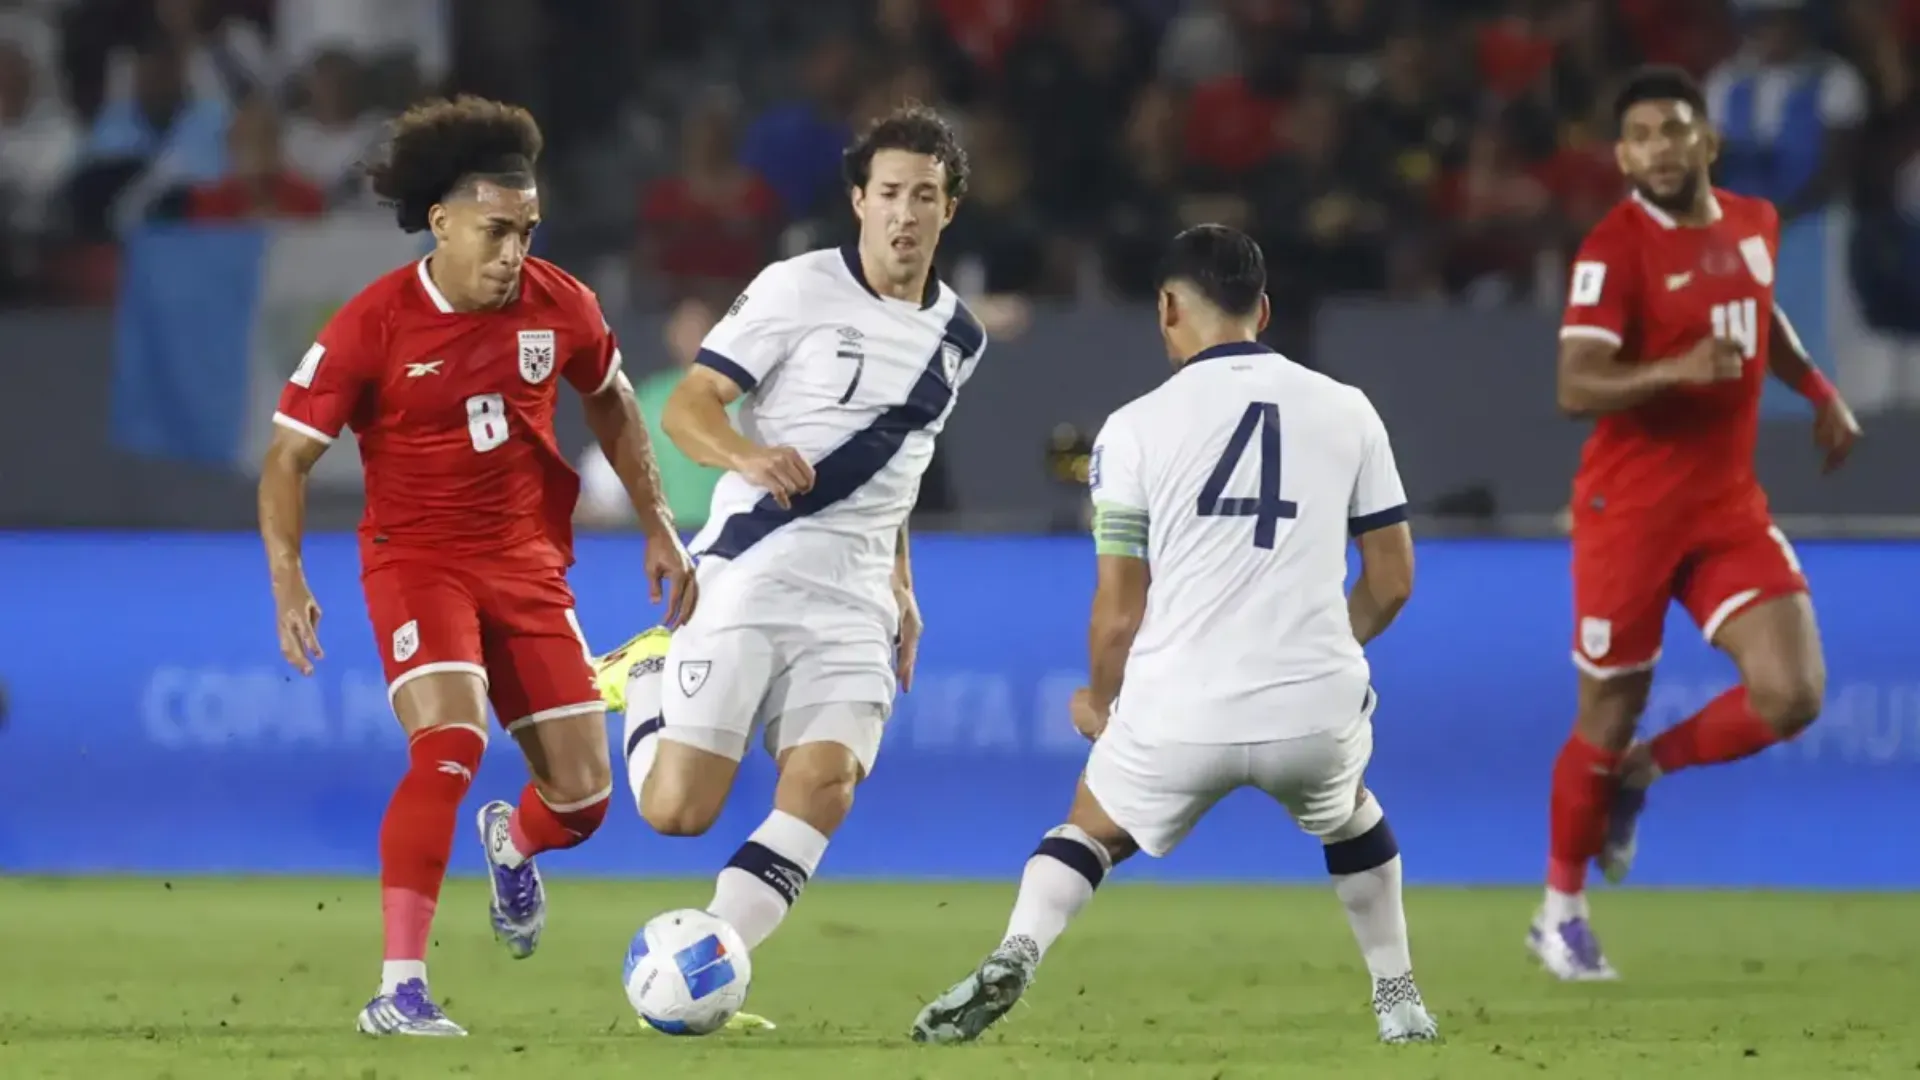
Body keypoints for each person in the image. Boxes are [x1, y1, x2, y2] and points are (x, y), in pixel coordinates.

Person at [909, 225, 1435, 1046]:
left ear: (1166, 308)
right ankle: (1398, 997)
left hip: (1181, 707)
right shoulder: (1349, 410)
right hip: (1312, 702)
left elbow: (1119, 607)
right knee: (1352, 816)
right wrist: (1333, 641)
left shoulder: (1134, 429)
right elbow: (1394, 578)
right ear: (1263, 310)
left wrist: (1100, 700)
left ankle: (1018, 948)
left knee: (1089, 826)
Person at [256, 95, 695, 1036]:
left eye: (528, 231)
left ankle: (514, 843)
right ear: (443, 221)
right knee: (450, 745)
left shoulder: (561, 303)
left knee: (583, 805)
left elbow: (613, 403)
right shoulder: (372, 324)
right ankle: (400, 988)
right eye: (497, 232)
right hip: (418, 561)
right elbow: (288, 456)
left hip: (526, 564)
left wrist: (657, 520)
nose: (513, 253)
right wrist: (290, 577)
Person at [595, 103, 985, 1012]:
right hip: (755, 566)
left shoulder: (958, 338)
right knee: (676, 812)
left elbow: (899, 464)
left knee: (827, 781)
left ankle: (714, 963)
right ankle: (648, 671)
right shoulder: (796, 288)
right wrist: (748, 454)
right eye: (889, 192)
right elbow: (688, 407)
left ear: (948, 210)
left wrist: (904, 587)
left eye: (924, 196)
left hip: (855, 599)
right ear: (859, 199)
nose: (904, 213)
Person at [1540, 65, 1861, 981]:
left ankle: (1645, 773)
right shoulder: (1613, 251)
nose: (1659, 148)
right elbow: (1574, 385)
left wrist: (1817, 388)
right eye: (1640, 135)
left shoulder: (1755, 223)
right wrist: (1672, 373)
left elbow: (1762, 313)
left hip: (1725, 506)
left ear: (1707, 143)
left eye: (1675, 129)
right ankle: (1560, 909)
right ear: (1622, 156)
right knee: (1604, 712)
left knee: (1792, 693)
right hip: (1628, 513)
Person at [575, 296, 728, 530]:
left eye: (701, 329)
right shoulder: (650, 398)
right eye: (684, 330)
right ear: (672, 336)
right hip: (670, 538)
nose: (692, 339)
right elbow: (605, 471)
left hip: (733, 540)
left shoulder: (746, 398)